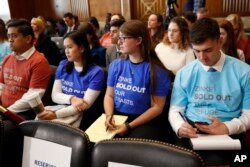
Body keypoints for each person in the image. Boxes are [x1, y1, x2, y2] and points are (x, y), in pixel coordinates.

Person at [169, 17, 250, 165]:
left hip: (230, 130)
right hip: (192, 130)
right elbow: (175, 110)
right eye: (197, 51)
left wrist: (226, 127)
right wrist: (180, 127)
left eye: (208, 50)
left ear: (220, 41)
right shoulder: (185, 73)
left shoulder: (244, 72)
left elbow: (248, 114)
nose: (202, 57)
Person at [104, 20, 171, 141]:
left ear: (139, 40)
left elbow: (157, 108)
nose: (119, 42)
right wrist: (109, 115)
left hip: (144, 121)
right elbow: (109, 96)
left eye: (123, 38)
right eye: (119, 38)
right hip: (119, 116)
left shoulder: (157, 71)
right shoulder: (116, 65)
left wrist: (129, 126)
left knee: (129, 148)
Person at [0, 19, 51, 167]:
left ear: (28, 38)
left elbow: (33, 96)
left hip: (24, 113)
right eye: (8, 35)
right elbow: (2, 85)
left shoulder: (39, 62)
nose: (10, 39)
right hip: (5, 109)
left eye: (14, 36)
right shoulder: (8, 58)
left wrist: (6, 111)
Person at [37, 31, 105, 128]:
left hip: (84, 117)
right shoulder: (63, 65)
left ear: (81, 48)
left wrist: (55, 114)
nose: (66, 51)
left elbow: (84, 106)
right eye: (65, 48)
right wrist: (72, 99)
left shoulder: (96, 72)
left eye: (70, 47)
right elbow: (54, 95)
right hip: (62, 109)